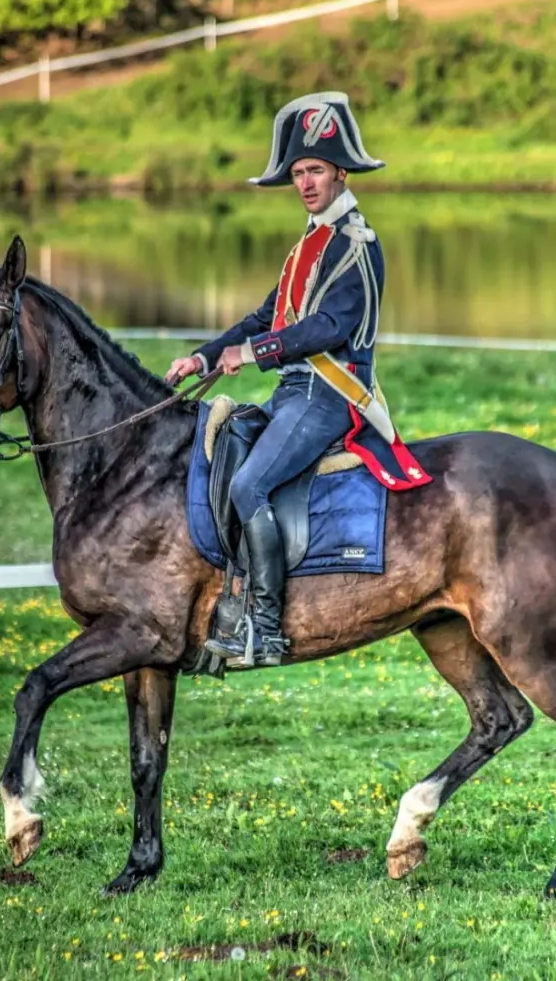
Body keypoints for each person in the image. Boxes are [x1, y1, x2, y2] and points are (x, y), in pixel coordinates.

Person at [166, 91, 432, 668]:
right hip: (294, 393)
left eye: (314, 170)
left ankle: (263, 627)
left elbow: (329, 326)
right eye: (297, 173)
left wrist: (255, 353)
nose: (306, 182)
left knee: (247, 487)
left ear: (339, 172)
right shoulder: (306, 245)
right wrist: (207, 356)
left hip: (330, 397)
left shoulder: (355, 245)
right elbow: (268, 316)